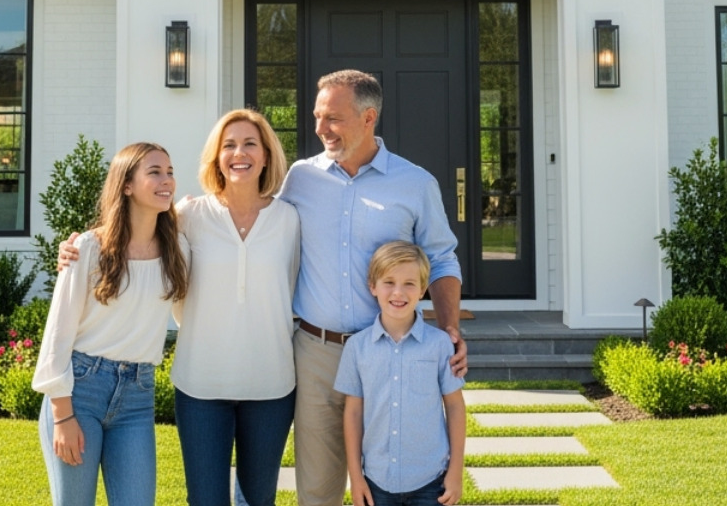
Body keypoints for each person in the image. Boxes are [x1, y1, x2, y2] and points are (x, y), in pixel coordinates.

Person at [58, 110, 303, 506]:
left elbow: (290, 290)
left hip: (271, 385)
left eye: (250, 144)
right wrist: (77, 248)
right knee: (205, 500)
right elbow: (130, 235)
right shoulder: (188, 215)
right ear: (216, 157)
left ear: (267, 155)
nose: (239, 153)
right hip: (201, 385)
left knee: (259, 500)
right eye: (228, 145)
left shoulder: (289, 219)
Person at [280, 70, 465, 506]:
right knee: (318, 488)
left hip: (392, 351)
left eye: (333, 118)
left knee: (394, 482)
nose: (320, 128)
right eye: (317, 117)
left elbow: (440, 258)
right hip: (318, 351)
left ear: (369, 118)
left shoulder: (415, 183)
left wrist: (450, 326)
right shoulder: (300, 178)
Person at [34, 141, 189, 506]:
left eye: (169, 172)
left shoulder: (178, 249)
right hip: (80, 391)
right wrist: (62, 416)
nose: (167, 180)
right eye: (154, 172)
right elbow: (58, 333)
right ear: (127, 184)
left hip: (137, 395)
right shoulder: (89, 248)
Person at [336, 241, 465, 506]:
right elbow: (353, 413)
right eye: (389, 282)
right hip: (376, 482)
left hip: (431, 482)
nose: (398, 292)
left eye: (409, 283)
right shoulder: (357, 348)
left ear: (423, 290)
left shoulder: (440, 345)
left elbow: (454, 407)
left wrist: (455, 472)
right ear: (373, 286)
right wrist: (355, 477)